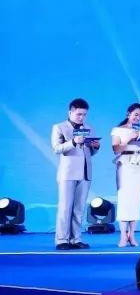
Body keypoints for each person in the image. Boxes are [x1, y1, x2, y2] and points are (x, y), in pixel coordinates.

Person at [50, 98, 100, 250]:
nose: (81, 117)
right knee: (65, 208)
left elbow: (90, 153)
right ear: (70, 112)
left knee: (79, 208)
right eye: (79, 114)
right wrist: (73, 141)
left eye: (84, 115)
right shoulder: (59, 127)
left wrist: (95, 146)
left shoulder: (88, 128)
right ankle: (61, 240)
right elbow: (56, 148)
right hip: (68, 173)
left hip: (85, 172)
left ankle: (75, 239)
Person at [111, 103, 140, 247]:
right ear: (128, 114)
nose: (138, 117)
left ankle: (132, 235)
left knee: (136, 199)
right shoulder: (118, 130)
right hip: (124, 163)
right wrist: (128, 138)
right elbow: (116, 149)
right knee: (124, 198)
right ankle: (123, 235)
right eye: (136, 114)